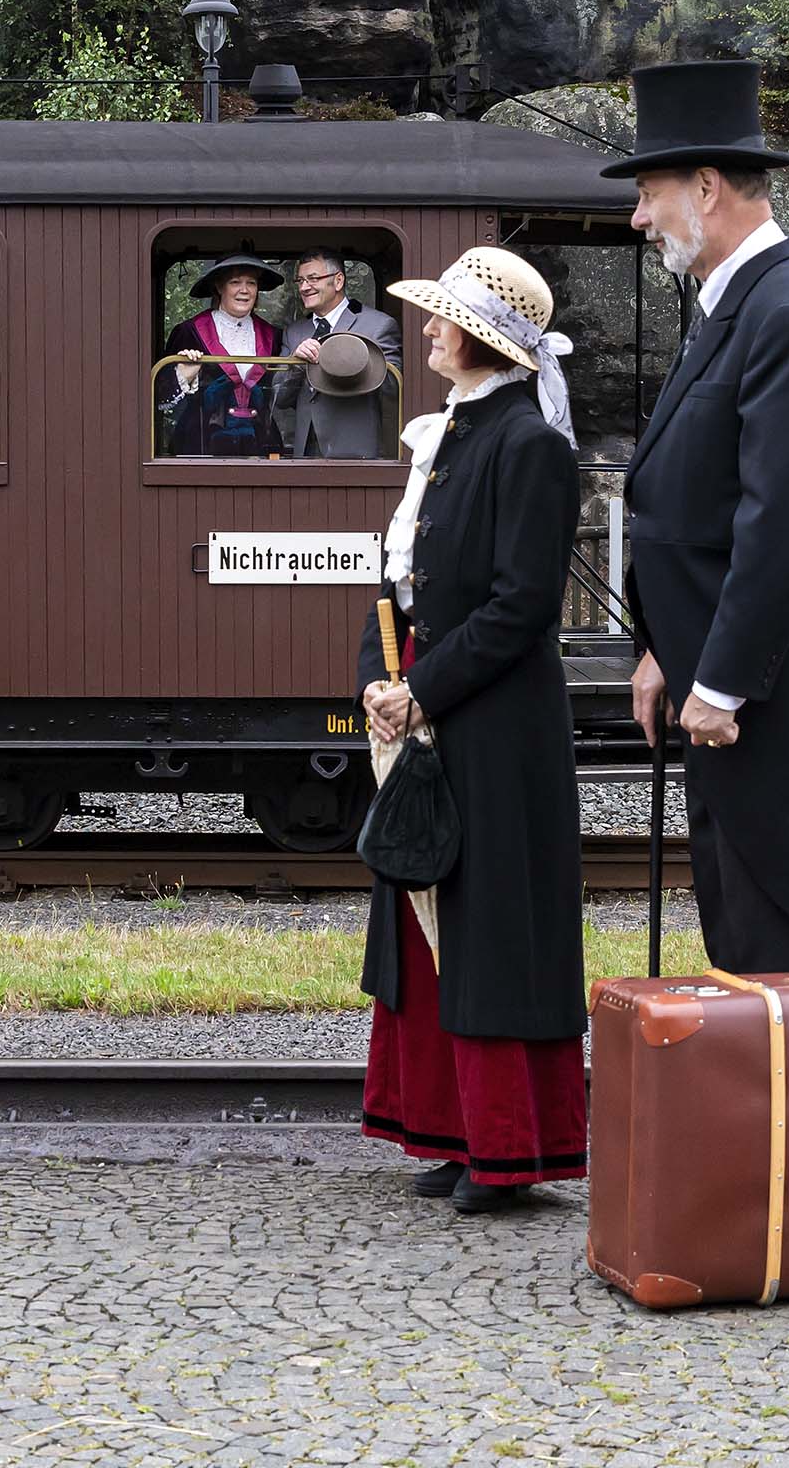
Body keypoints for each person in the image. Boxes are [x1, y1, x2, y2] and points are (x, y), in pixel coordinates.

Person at [605, 59, 789, 975]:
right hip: (727, 689)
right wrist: (668, 651)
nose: (639, 217)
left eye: (649, 193)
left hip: (768, 703)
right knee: (739, 943)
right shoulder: (742, 304)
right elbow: (715, 500)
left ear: (705, 186)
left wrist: (721, 681)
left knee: (774, 946)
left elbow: (783, 520)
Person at [355, 246, 587, 1216]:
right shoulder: (445, 434)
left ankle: (508, 1147)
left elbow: (520, 605)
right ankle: (452, 1129)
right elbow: (398, 583)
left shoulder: (529, 444)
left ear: (485, 336)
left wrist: (422, 690)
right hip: (434, 706)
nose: (431, 327)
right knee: (431, 922)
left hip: (495, 723)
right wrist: (376, 677)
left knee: (490, 926)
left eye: (446, 317)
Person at [272, 248, 399, 458]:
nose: (304, 287)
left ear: (338, 281)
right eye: (300, 280)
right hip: (304, 453)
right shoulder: (294, 332)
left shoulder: (379, 326)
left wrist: (353, 362)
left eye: (313, 279)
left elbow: (393, 388)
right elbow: (280, 399)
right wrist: (295, 364)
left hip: (357, 453)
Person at [159, 254, 286, 457]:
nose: (244, 290)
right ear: (219, 287)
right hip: (201, 444)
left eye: (251, 283)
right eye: (235, 282)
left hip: (260, 443)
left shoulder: (274, 335)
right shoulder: (189, 332)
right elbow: (162, 397)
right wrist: (184, 375)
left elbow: (282, 391)